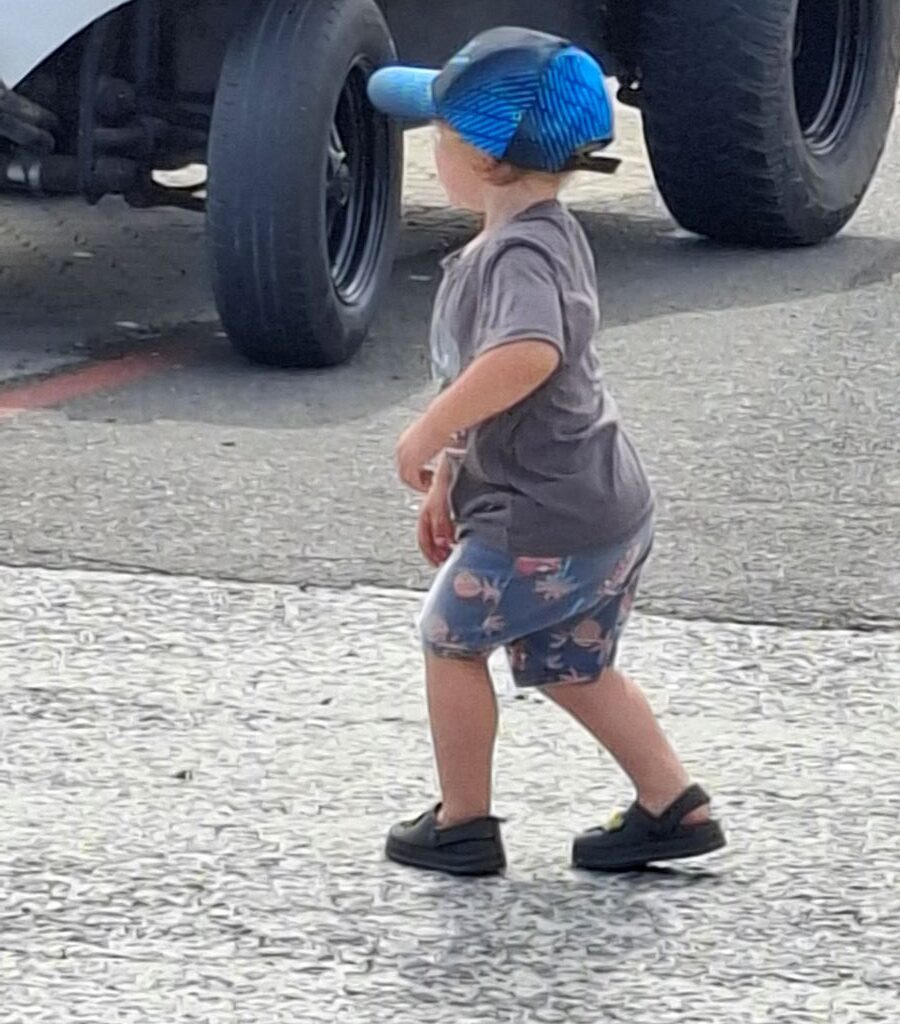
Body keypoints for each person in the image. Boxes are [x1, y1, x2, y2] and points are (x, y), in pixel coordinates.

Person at [367, 26, 726, 876]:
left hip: (547, 513)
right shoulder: (537, 233)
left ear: (484, 157)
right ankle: (672, 804)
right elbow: (507, 393)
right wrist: (450, 472)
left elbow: (528, 356)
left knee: (450, 640)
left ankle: (462, 824)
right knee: (573, 662)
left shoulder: (521, 252)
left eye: (441, 134)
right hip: (597, 504)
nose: (432, 149)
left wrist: (425, 430)